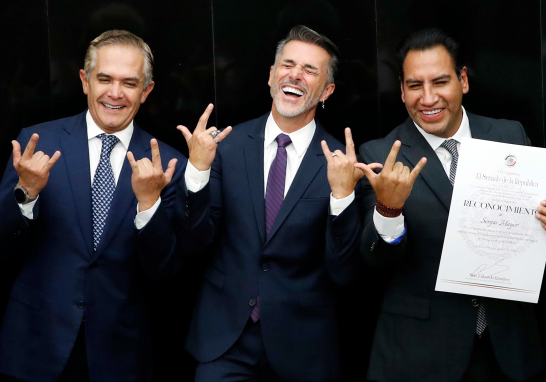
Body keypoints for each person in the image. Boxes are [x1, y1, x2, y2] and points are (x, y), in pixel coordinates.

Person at [176, 25, 369, 381]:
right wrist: (198, 172)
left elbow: (346, 271)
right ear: (270, 76)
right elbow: (192, 242)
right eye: (288, 64)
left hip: (305, 346)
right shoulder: (224, 148)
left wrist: (342, 196)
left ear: (327, 90)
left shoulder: (341, 163)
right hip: (224, 341)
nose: (295, 74)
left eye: (310, 70)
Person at [357, 28, 545, 382]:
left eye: (440, 82)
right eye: (415, 85)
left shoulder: (510, 136)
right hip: (421, 354)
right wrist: (389, 210)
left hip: (509, 347)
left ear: (463, 80)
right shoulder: (381, 155)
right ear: (401, 90)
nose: (428, 98)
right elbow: (374, 260)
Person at [0, 30, 186, 382]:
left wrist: (148, 205)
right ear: (85, 81)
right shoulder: (37, 143)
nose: (115, 93)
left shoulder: (167, 165)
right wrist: (26, 193)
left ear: (146, 92)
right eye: (104, 79)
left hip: (120, 353)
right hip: (35, 343)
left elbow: (165, 271)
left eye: (129, 83)